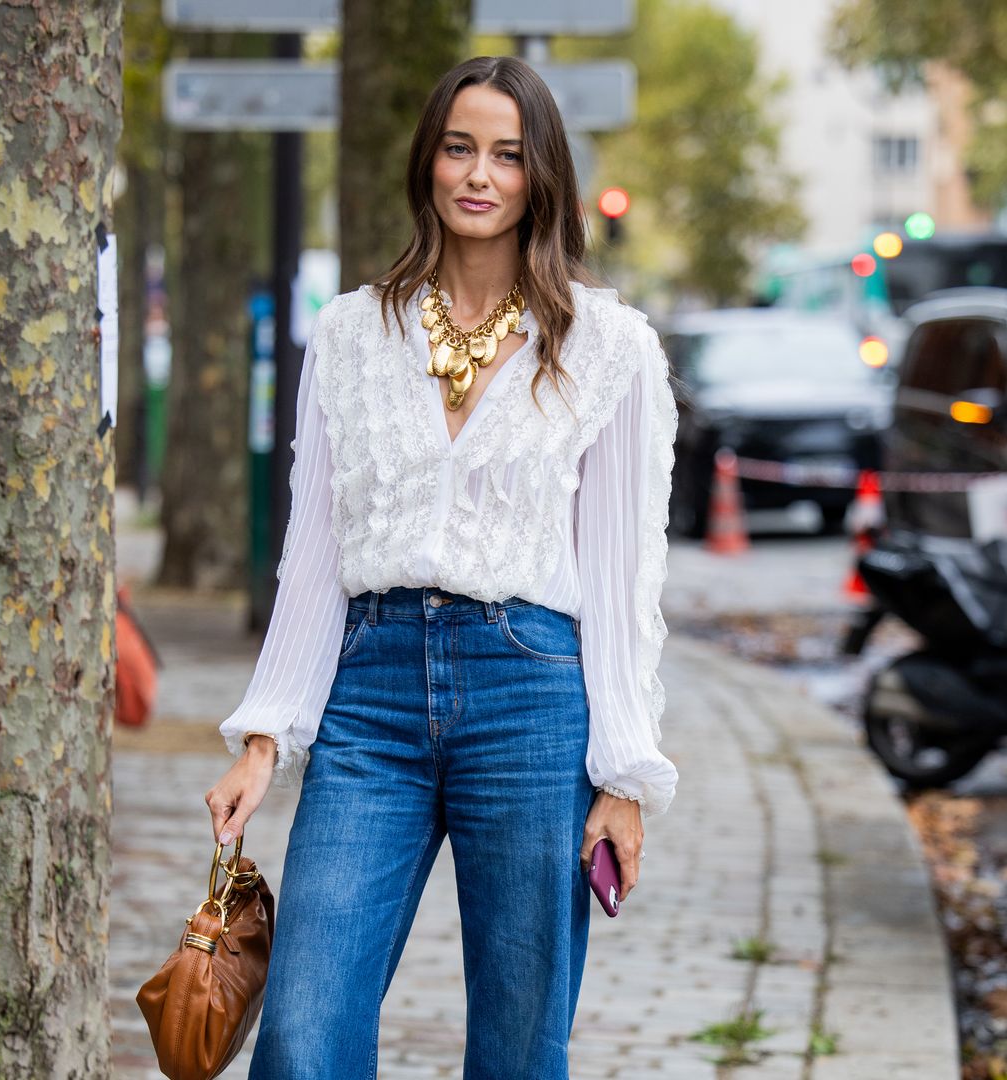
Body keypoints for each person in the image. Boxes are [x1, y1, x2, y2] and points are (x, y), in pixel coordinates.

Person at [205, 54, 680, 1080]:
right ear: (429, 160)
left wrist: (626, 774)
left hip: (532, 695)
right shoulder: (349, 335)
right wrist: (264, 734)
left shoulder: (610, 348)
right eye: (460, 147)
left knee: (518, 1047)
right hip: (370, 699)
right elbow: (315, 550)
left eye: (509, 155)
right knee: (299, 1034)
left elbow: (622, 577)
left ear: (540, 175)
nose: (480, 173)